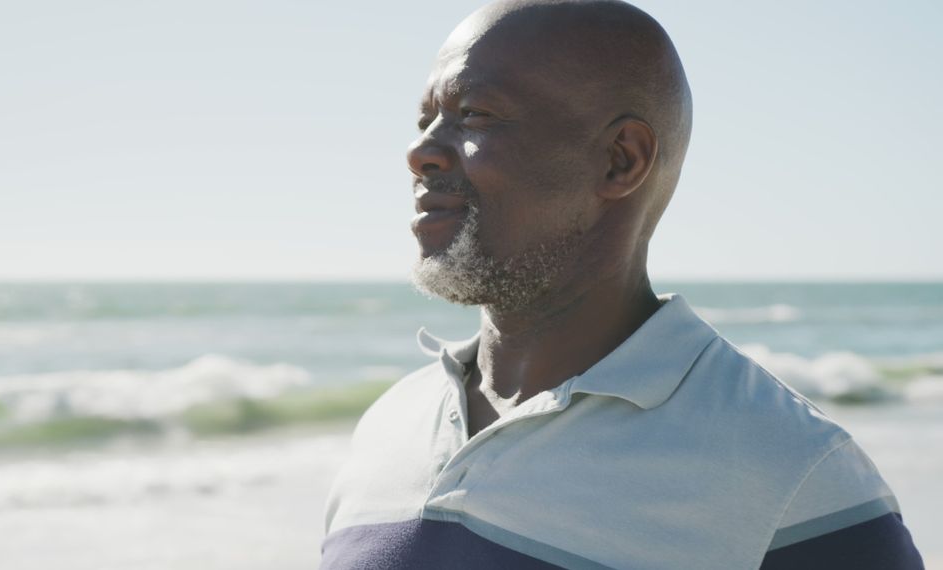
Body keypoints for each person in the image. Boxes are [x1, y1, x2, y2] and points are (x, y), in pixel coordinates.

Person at [320, 1, 924, 568]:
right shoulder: (389, 423)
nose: (419, 151)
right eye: (427, 118)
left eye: (473, 113)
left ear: (620, 160)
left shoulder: (792, 472)